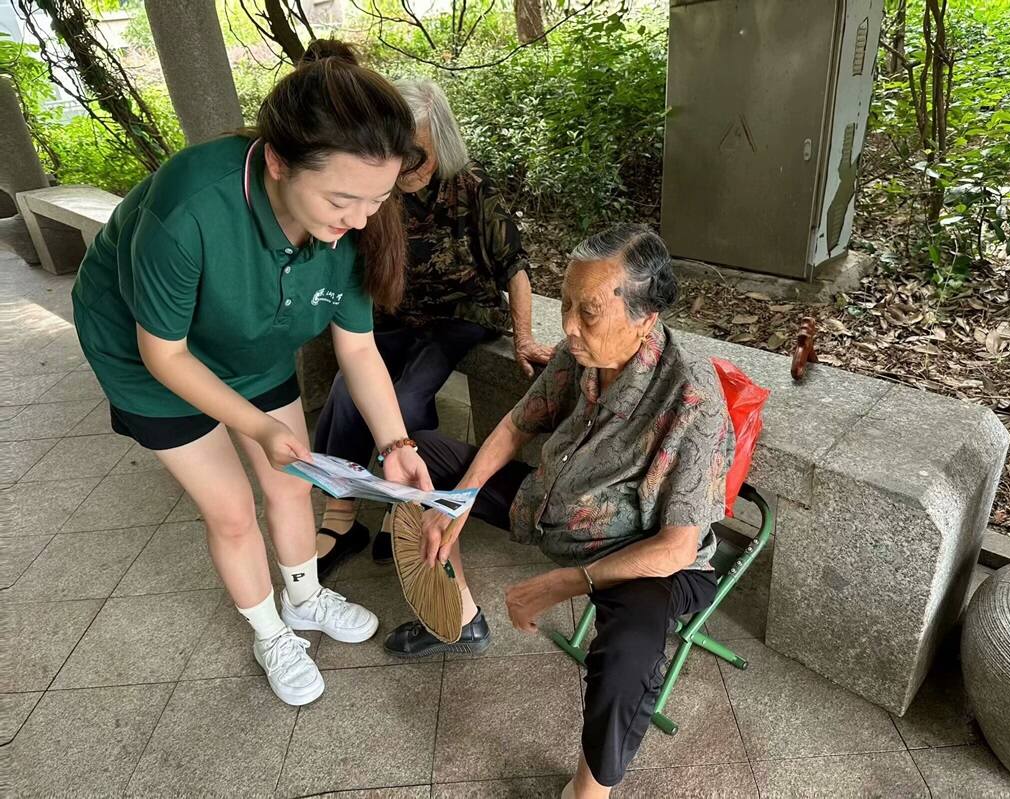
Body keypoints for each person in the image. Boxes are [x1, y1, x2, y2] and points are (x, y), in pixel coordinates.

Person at [70, 39, 432, 707]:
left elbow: (357, 349)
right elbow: (166, 354)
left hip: (251, 332)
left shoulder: (352, 220)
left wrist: (397, 445)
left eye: (376, 201)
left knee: (291, 482)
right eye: (342, 201)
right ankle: (270, 632)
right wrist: (257, 427)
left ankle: (304, 596)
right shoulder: (189, 212)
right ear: (276, 162)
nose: (358, 220)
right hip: (147, 352)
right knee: (233, 509)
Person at [384, 225, 734, 798]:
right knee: (417, 457)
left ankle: (589, 790)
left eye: (588, 311)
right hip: (549, 504)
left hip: (642, 553)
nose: (568, 325)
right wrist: (461, 498)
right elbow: (521, 421)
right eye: (565, 303)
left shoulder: (692, 398)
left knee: (629, 655)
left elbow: (675, 546)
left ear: (645, 318)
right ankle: (463, 617)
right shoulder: (584, 354)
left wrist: (560, 586)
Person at [313, 78, 552, 573]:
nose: (407, 168)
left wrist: (524, 336)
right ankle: (342, 511)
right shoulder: (379, 189)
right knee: (345, 389)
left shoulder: (472, 185)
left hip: (457, 316)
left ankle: (407, 500)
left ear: (441, 141)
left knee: (407, 396)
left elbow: (515, 266)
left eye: (417, 155)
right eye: (398, 154)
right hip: (394, 314)